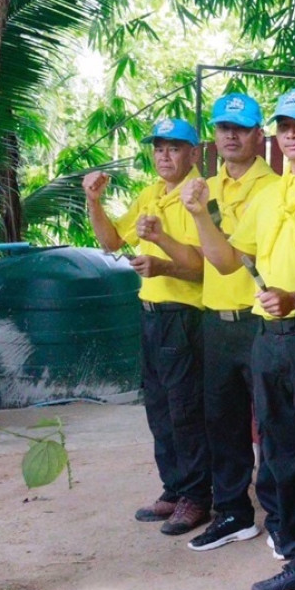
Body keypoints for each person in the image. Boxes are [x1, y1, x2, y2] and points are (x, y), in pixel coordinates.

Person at [181, 88, 295, 590]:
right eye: (284, 125)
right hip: (271, 337)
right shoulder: (269, 194)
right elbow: (229, 261)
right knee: (282, 456)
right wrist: (200, 215)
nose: (291, 134)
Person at [83, 118, 211, 536]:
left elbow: (203, 267)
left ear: (194, 153)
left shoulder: (200, 194)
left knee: (185, 410)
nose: (164, 156)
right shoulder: (150, 193)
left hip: (184, 314)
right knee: (159, 408)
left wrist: (161, 265)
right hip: (151, 313)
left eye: (174, 148)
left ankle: (196, 495)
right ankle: (174, 488)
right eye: (158, 148)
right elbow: (110, 242)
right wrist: (93, 201)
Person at [182, 93, 282, 553]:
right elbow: (197, 256)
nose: (231, 136)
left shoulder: (274, 187)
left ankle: (281, 518)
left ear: (259, 135)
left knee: (274, 424)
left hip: (259, 319)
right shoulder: (202, 188)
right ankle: (233, 514)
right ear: (214, 136)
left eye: (241, 129)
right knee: (222, 422)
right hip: (215, 319)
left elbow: (241, 257)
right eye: (224, 128)